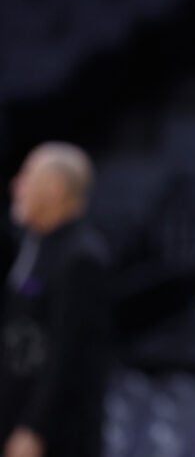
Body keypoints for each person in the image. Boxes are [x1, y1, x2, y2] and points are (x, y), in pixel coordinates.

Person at [0, 142, 113, 457]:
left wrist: (35, 428)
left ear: (55, 188)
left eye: (26, 176)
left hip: (56, 437)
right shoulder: (34, 244)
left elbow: (68, 353)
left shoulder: (82, 258)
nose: (16, 186)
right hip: (15, 417)